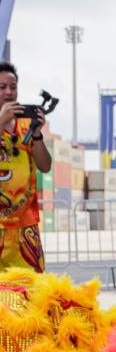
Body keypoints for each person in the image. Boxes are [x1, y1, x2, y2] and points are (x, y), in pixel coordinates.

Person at [0, 62, 52, 272]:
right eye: (2, 87)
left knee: (33, 287)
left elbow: (45, 166)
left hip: (26, 227)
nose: (8, 92)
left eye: (13, 87)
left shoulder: (26, 125)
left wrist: (37, 134)